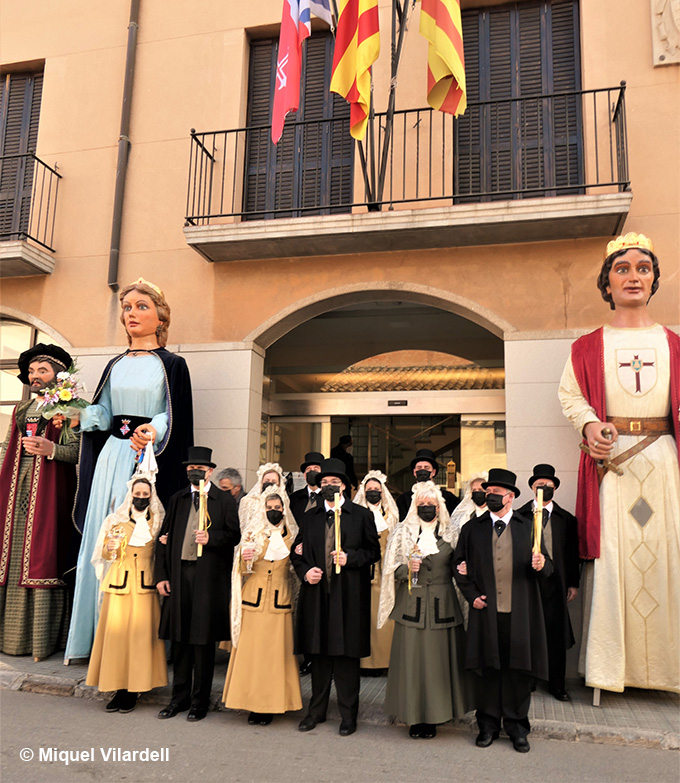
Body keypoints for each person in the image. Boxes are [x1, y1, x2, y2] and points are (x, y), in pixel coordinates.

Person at [558, 232, 679, 695]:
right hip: (614, 467)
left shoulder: (674, 344)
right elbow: (571, 396)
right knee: (613, 564)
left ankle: (669, 671)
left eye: (643, 269)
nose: (633, 277)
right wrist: (590, 425)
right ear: (606, 283)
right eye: (622, 269)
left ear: (653, 281)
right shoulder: (588, 346)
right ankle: (610, 671)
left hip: (664, 464)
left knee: (670, 558)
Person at [65, 278, 193, 663]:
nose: (131, 313)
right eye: (127, 307)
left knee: (138, 540)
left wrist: (154, 428)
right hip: (112, 457)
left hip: (145, 458)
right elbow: (106, 413)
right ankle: (96, 637)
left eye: (141, 306)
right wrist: (80, 414)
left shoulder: (172, 364)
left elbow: (173, 413)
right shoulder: (115, 364)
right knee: (104, 536)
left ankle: (140, 643)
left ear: (161, 317)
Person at [454, 468, 551, 753]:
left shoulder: (528, 526)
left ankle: (517, 728)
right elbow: (458, 566)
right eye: (488, 493)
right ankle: (487, 726)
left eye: (495, 493)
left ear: (509, 497)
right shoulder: (472, 528)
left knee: (517, 673)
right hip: (486, 613)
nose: (489, 497)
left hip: (520, 614)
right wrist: (472, 596)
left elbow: (549, 568)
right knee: (488, 671)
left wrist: (542, 565)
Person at [290, 458, 380, 736]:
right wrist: (306, 572)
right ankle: (315, 712)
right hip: (317, 596)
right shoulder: (310, 516)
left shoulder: (361, 515)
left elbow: (373, 552)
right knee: (318, 657)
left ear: (344, 486)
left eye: (335, 482)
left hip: (349, 598)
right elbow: (296, 552)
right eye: (325, 482)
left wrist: (350, 558)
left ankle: (348, 716)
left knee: (346, 659)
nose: (329, 486)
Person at [0, 344, 79, 660]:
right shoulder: (21, 409)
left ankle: (39, 642)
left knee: (41, 555)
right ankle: (7, 637)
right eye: (32, 371)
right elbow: (7, 446)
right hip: (15, 488)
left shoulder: (70, 408)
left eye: (42, 370)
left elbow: (78, 452)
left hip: (49, 490)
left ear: (59, 376)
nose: (35, 376)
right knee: (11, 555)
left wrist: (52, 449)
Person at [378, 482, 470, 739]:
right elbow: (390, 570)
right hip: (411, 606)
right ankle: (413, 717)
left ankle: (435, 717)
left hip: (443, 606)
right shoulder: (402, 533)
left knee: (438, 666)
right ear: (414, 506)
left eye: (431, 505)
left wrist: (465, 569)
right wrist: (407, 568)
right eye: (422, 505)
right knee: (412, 664)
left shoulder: (451, 533)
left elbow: (461, 565)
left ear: (439, 507)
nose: (426, 508)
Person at [155, 446, 240, 722]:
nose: (195, 472)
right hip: (179, 576)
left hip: (208, 579)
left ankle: (199, 701)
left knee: (202, 643)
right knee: (180, 641)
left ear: (210, 471)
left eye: (200, 469)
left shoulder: (223, 500)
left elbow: (234, 536)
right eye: (191, 468)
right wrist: (162, 576)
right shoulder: (178, 499)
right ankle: (178, 699)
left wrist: (211, 538)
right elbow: (163, 539)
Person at [85, 473, 167, 712]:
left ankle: (135, 689)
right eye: (137, 493)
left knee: (141, 638)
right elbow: (103, 554)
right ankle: (118, 688)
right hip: (119, 583)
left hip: (145, 585)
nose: (141, 497)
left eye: (145, 494)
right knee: (117, 638)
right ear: (130, 494)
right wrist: (110, 548)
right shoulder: (115, 520)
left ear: (151, 496)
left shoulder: (158, 520)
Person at [222, 492, 301, 724]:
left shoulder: (293, 535)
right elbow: (240, 570)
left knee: (275, 656)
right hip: (253, 601)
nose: (273, 511)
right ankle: (249, 702)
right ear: (262, 509)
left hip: (280, 600)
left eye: (277, 507)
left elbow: (296, 570)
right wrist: (244, 559)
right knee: (252, 655)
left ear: (284, 509)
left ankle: (270, 705)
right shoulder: (252, 534)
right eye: (269, 507)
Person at [517, 464, 579, 702]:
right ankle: (529, 680)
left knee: (556, 635)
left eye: (549, 485)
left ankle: (557, 684)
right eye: (540, 485)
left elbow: (572, 554)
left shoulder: (566, 519)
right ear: (532, 488)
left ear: (555, 488)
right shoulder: (520, 516)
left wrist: (573, 583)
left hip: (556, 584)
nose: (544, 488)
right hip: (528, 583)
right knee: (529, 632)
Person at [353, 470, 398, 674]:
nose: (373, 492)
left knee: (385, 616)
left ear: (382, 491)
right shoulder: (356, 514)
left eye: (376, 489)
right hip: (362, 571)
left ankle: (384, 660)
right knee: (363, 616)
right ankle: (363, 662)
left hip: (385, 573)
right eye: (369, 489)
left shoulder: (391, 515)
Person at [449, 472, 488, 629]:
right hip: (465, 578)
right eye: (474, 490)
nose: (478, 493)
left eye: (481, 489)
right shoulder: (462, 516)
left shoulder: (496, 515)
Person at [396, 449, 459, 520]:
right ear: (414, 472)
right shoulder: (403, 500)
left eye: (426, 467)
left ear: (433, 472)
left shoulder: (448, 498)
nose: (422, 470)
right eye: (419, 468)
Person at [238, 462, 287, 532]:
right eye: (267, 480)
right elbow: (244, 526)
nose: (270, 483)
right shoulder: (248, 501)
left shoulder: (285, 501)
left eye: (274, 481)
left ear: (279, 484)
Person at [288, 451, 324, 526]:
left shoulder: (329, 498)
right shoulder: (294, 498)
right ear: (304, 475)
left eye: (316, 469)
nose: (312, 471)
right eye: (308, 469)